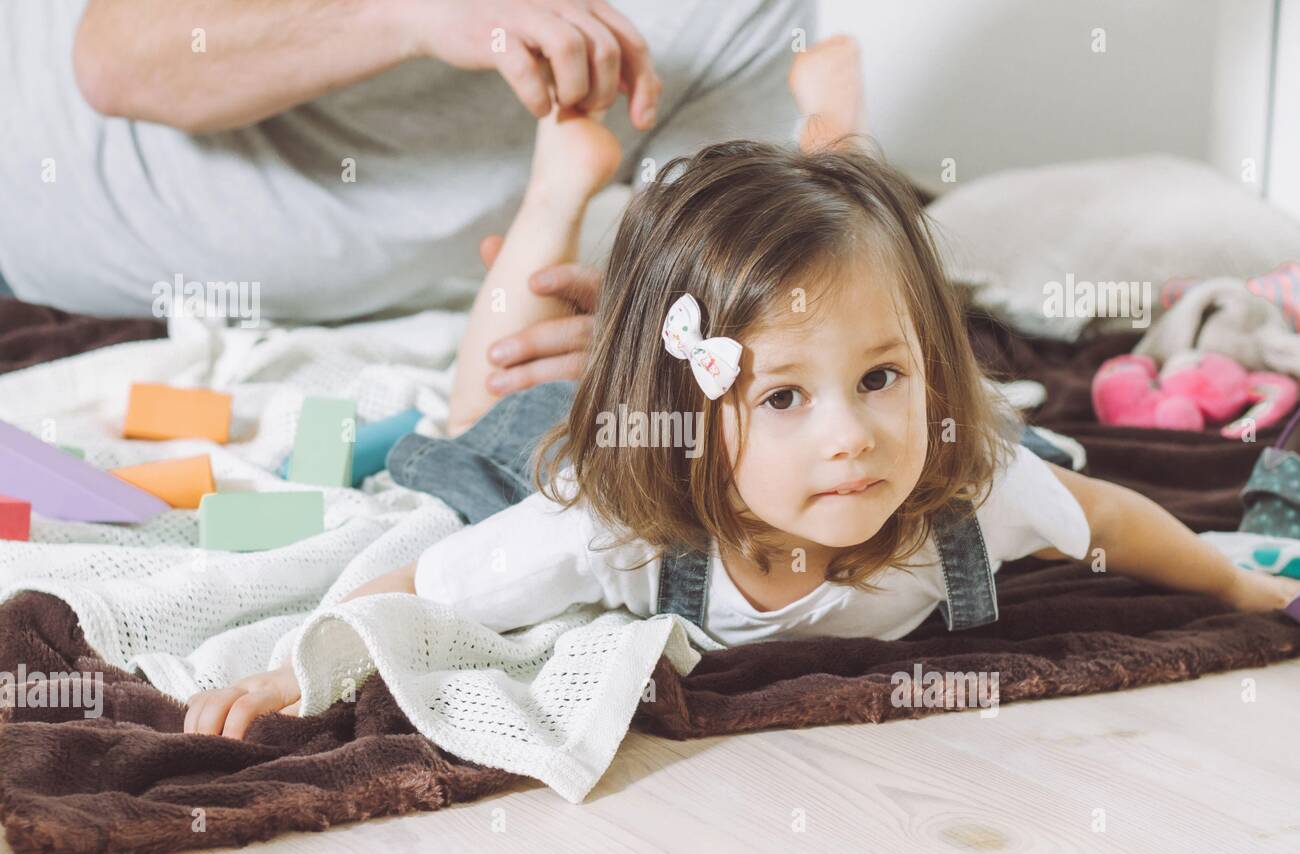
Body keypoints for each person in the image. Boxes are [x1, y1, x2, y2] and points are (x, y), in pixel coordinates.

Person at [183, 131, 1300, 739]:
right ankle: (556, 189)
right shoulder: (606, 532)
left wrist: (1237, 588)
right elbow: (432, 577)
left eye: (881, 377)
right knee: (476, 412)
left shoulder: (969, 499)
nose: (852, 437)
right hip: (542, 450)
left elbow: (1101, 512)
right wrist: (299, 663)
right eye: (782, 398)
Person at [0, 0, 813, 397]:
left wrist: (650, 332)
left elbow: (719, 278)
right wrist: (411, 13)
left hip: (300, 322)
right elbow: (118, 63)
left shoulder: (747, 14)